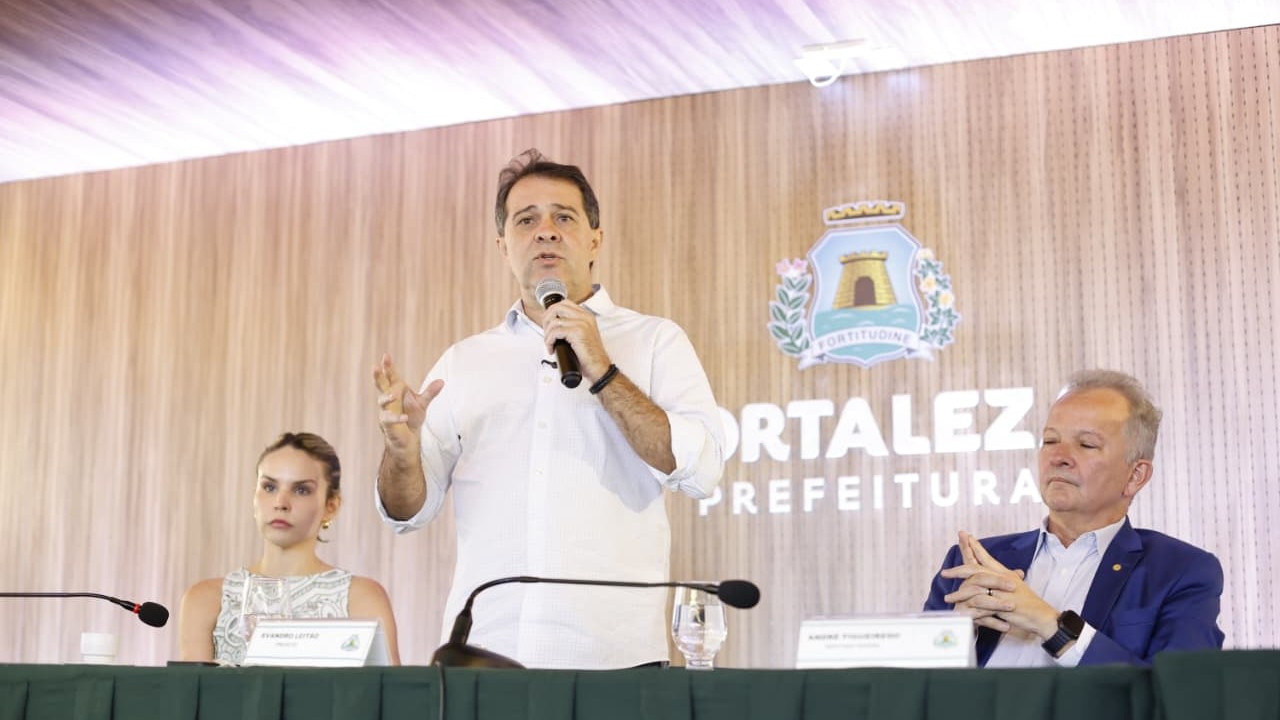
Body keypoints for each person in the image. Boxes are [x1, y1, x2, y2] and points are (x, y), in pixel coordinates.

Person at [372, 148, 725, 669]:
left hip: (613, 660)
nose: (546, 232)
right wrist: (401, 454)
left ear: (594, 240)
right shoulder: (464, 361)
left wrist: (602, 368)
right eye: (526, 220)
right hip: (485, 656)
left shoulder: (655, 341)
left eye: (563, 218)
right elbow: (406, 513)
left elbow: (702, 470)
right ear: (503, 246)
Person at [924, 370, 1224, 667]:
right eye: (1050, 440)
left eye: (1086, 444)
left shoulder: (1180, 571)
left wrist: (1049, 624)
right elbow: (914, 684)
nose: (1058, 457)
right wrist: (955, 636)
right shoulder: (975, 561)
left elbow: (1179, 689)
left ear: (1135, 475)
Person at [178, 432, 401, 664]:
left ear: (331, 506)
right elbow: (192, 687)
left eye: (301, 490)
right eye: (269, 487)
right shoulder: (206, 599)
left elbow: (390, 687)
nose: (280, 503)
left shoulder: (361, 598)